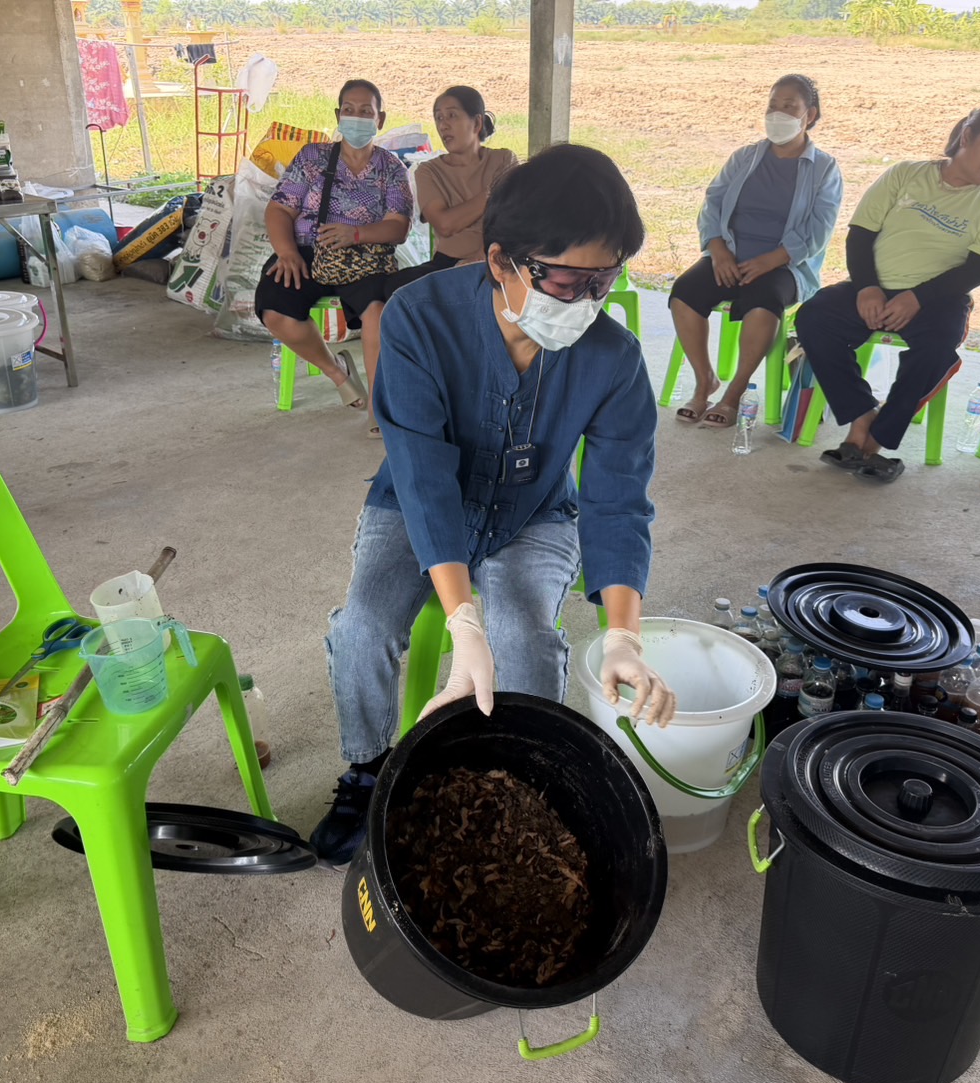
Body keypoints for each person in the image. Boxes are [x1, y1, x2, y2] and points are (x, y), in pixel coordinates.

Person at [311, 144, 678, 866]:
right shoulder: (419, 317)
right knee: (362, 627)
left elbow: (617, 499)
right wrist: (461, 618)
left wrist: (623, 637)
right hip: (415, 501)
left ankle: (521, 784)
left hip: (533, 511)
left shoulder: (613, 357)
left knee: (526, 640)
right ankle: (367, 769)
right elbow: (422, 475)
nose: (585, 303)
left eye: (604, 280)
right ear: (501, 260)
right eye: (566, 281)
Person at [798, 102, 980, 483]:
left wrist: (917, 297)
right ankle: (861, 414)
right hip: (874, 284)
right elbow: (861, 234)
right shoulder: (905, 174)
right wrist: (867, 287)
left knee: (937, 348)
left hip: (938, 300)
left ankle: (876, 439)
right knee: (814, 318)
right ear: (967, 136)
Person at [671, 74, 843, 428]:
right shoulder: (744, 158)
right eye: (772, 105)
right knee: (685, 292)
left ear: (809, 115)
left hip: (784, 266)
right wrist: (718, 249)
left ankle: (734, 393)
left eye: (789, 107)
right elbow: (712, 204)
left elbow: (819, 229)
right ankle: (705, 381)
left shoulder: (824, 169)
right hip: (730, 256)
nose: (777, 114)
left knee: (764, 301)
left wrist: (773, 259)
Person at [255, 79, 412, 430]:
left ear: (380, 119)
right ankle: (339, 374)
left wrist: (356, 234)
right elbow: (279, 209)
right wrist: (287, 252)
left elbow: (398, 227)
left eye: (366, 111)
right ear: (338, 115)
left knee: (377, 312)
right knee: (276, 308)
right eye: (349, 110)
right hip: (309, 253)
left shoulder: (391, 169)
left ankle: (378, 410)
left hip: (366, 258)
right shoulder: (313, 157)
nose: (357, 118)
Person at [385, 85, 518, 294]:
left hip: (497, 259)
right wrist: (490, 194)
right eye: (438, 118)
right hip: (447, 263)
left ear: (477, 123)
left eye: (452, 116)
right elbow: (445, 224)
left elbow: (512, 220)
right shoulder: (428, 171)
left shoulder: (503, 160)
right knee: (393, 288)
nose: (443, 125)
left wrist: (480, 258)